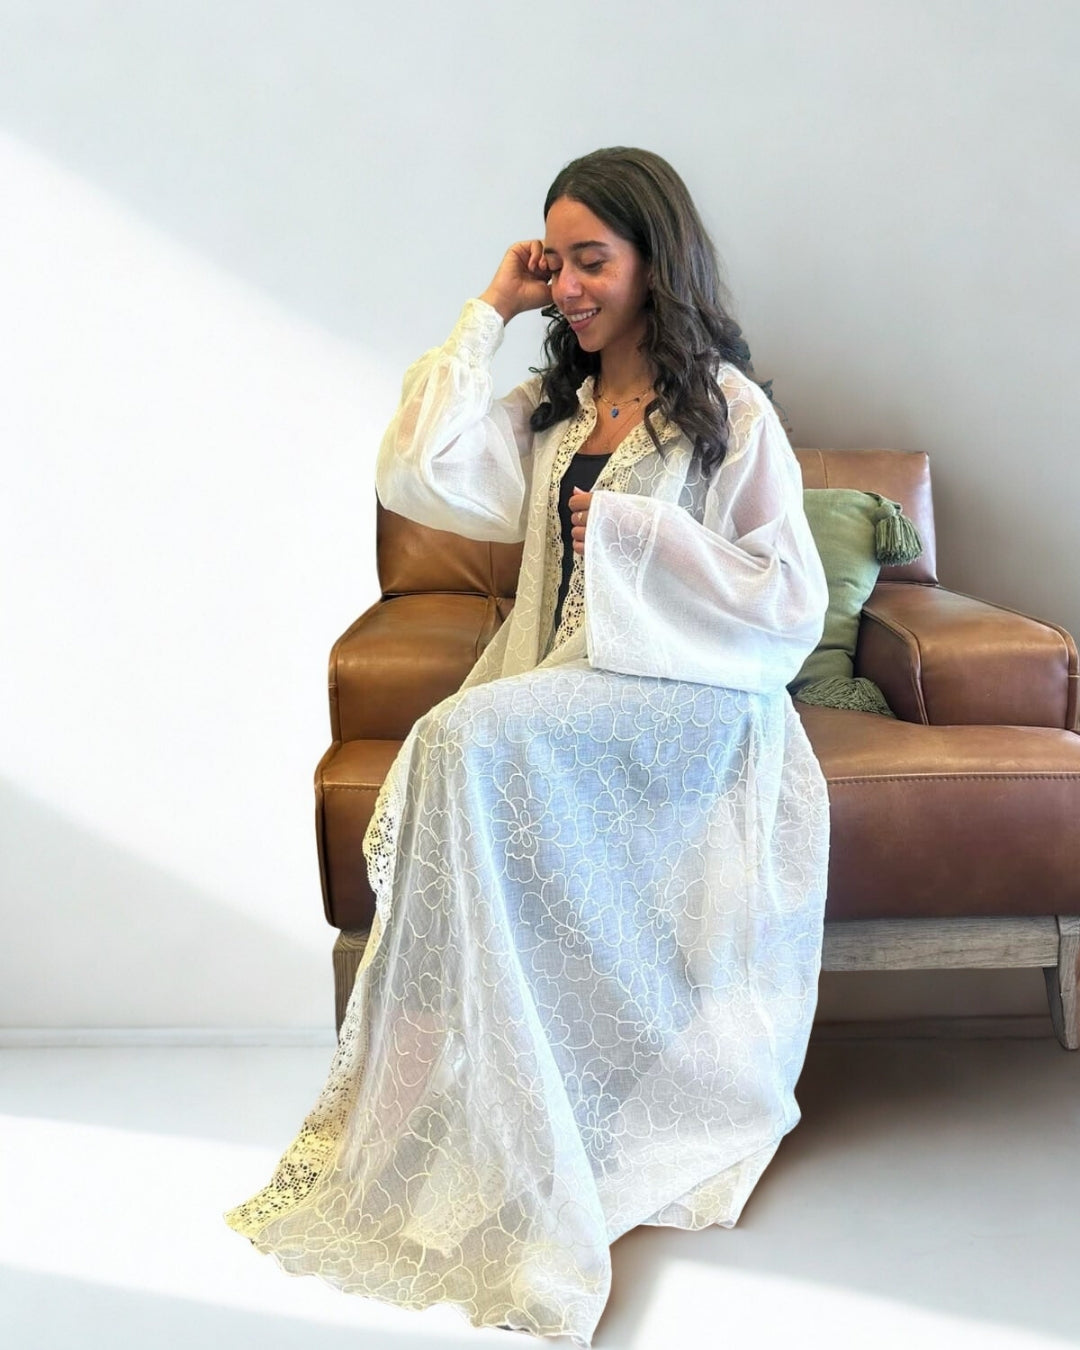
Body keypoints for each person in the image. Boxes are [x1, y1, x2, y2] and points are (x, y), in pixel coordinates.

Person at [224, 147, 830, 1346]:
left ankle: (443, 1096)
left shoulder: (729, 414)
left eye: (590, 261)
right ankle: (454, 1096)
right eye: (556, 263)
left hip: (689, 708)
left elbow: (786, 600)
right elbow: (416, 468)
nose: (569, 287)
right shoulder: (552, 415)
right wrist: (486, 312)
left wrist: (635, 535)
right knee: (460, 740)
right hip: (565, 691)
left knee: (459, 734)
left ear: (659, 264)